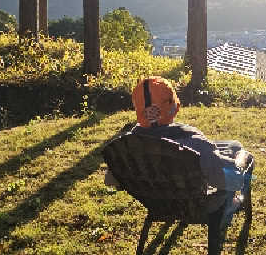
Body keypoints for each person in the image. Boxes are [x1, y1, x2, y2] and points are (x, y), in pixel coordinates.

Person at [104, 76, 251, 214]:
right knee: (238, 150)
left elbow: (111, 181)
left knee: (232, 145)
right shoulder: (195, 145)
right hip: (193, 204)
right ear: (171, 106)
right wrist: (240, 160)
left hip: (155, 201)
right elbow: (232, 180)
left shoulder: (125, 147)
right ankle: (235, 202)